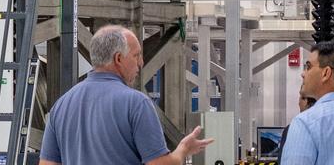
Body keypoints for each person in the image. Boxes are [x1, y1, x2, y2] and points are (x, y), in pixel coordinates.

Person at [38, 25, 212, 165]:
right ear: (118, 59)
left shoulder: (61, 106)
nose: (141, 62)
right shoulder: (136, 103)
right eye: (136, 55)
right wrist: (182, 150)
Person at [279, 92, 317, 157]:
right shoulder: (325, 126)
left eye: (301, 99)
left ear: (307, 102)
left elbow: (282, 159)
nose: (299, 103)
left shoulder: (292, 129)